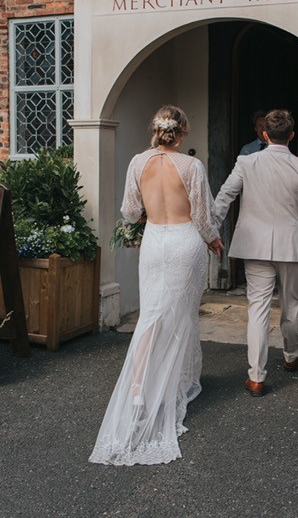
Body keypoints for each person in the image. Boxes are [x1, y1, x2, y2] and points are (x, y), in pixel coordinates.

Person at [89, 105, 223, 466]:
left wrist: (151, 212)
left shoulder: (137, 163)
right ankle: (171, 386)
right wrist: (213, 240)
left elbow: (130, 211)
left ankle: (137, 389)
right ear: (182, 133)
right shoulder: (192, 166)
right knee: (180, 317)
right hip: (184, 242)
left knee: (151, 315)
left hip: (154, 242)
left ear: (156, 130)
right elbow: (201, 215)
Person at [215, 109, 298, 397]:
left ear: (264, 135)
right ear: (292, 136)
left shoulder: (246, 162)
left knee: (257, 310)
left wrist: (210, 229)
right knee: (291, 305)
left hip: (254, 244)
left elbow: (225, 196)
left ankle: (257, 377)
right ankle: (291, 355)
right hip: (291, 244)